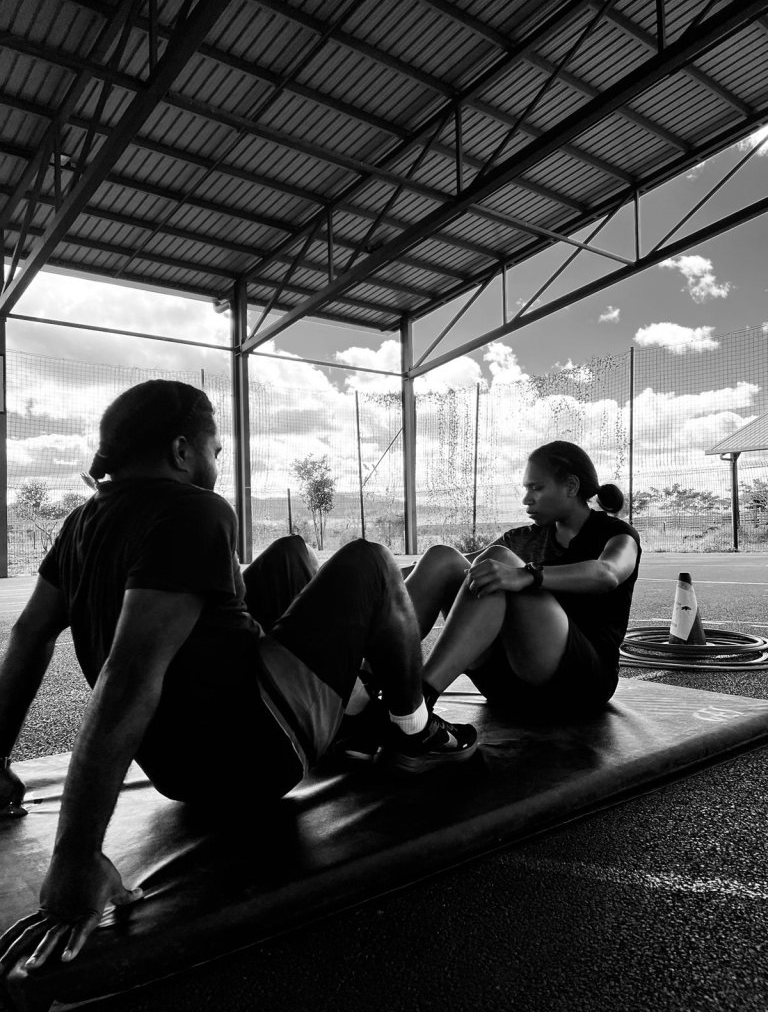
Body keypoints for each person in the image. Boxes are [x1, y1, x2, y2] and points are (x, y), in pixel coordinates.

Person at [0, 380, 476, 973]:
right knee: (373, 563)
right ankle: (414, 731)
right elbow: (127, 677)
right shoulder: (192, 509)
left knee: (291, 553)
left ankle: (350, 710)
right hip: (253, 757)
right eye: (215, 449)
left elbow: (29, 637)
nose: (218, 462)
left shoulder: (81, 522)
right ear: (181, 451)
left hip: (179, 768)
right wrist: (75, 855)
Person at [405, 440, 641, 717]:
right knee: (441, 558)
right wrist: (378, 578)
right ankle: (368, 685)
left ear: (571, 486)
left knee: (499, 560)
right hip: (506, 681)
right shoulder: (521, 538)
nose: (526, 499)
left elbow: (607, 573)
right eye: (526, 489)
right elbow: (444, 569)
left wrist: (527, 575)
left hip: (577, 685)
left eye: (536, 488)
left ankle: (415, 704)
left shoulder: (616, 534)